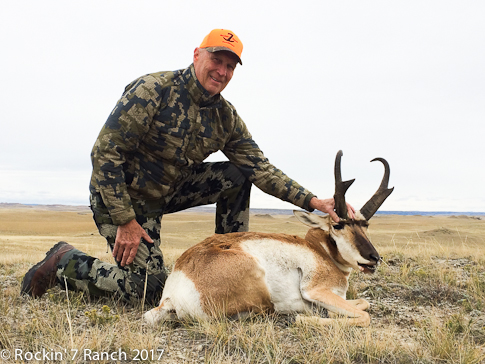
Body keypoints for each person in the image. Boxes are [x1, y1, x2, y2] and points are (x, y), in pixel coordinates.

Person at [21, 29, 355, 304]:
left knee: (239, 174)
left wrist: (315, 202)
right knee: (151, 290)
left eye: (230, 66)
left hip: (169, 192)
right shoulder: (153, 90)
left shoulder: (225, 117)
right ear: (197, 55)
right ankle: (64, 261)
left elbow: (260, 168)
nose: (221, 72)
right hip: (121, 198)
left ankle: (229, 263)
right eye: (216, 60)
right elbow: (105, 154)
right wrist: (124, 220)